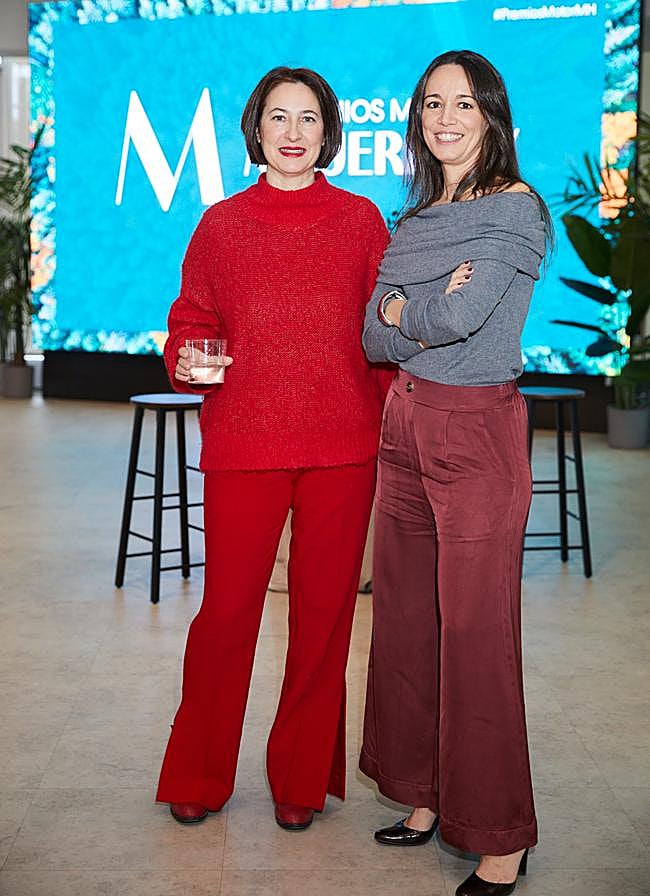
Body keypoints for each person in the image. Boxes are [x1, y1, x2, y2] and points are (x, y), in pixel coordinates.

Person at [156, 66, 391, 832]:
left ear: (329, 132)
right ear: (256, 129)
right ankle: (198, 771)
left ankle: (301, 779)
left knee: (324, 623)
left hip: (342, 446)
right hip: (243, 444)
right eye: (279, 117)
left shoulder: (361, 221)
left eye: (309, 118)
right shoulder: (221, 225)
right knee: (226, 615)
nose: (294, 133)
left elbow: (382, 332)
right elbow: (192, 321)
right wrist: (187, 358)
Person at [359, 50, 551, 896]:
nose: (445, 118)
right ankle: (425, 794)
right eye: (432, 103)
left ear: (492, 117)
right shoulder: (414, 219)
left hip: (475, 434)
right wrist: (413, 311)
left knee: (477, 637)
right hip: (403, 425)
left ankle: (501, 837)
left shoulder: (515, 208)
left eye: (464, 104)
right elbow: (374, 335)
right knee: (406, 624)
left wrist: (406, 305)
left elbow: (464, 317)